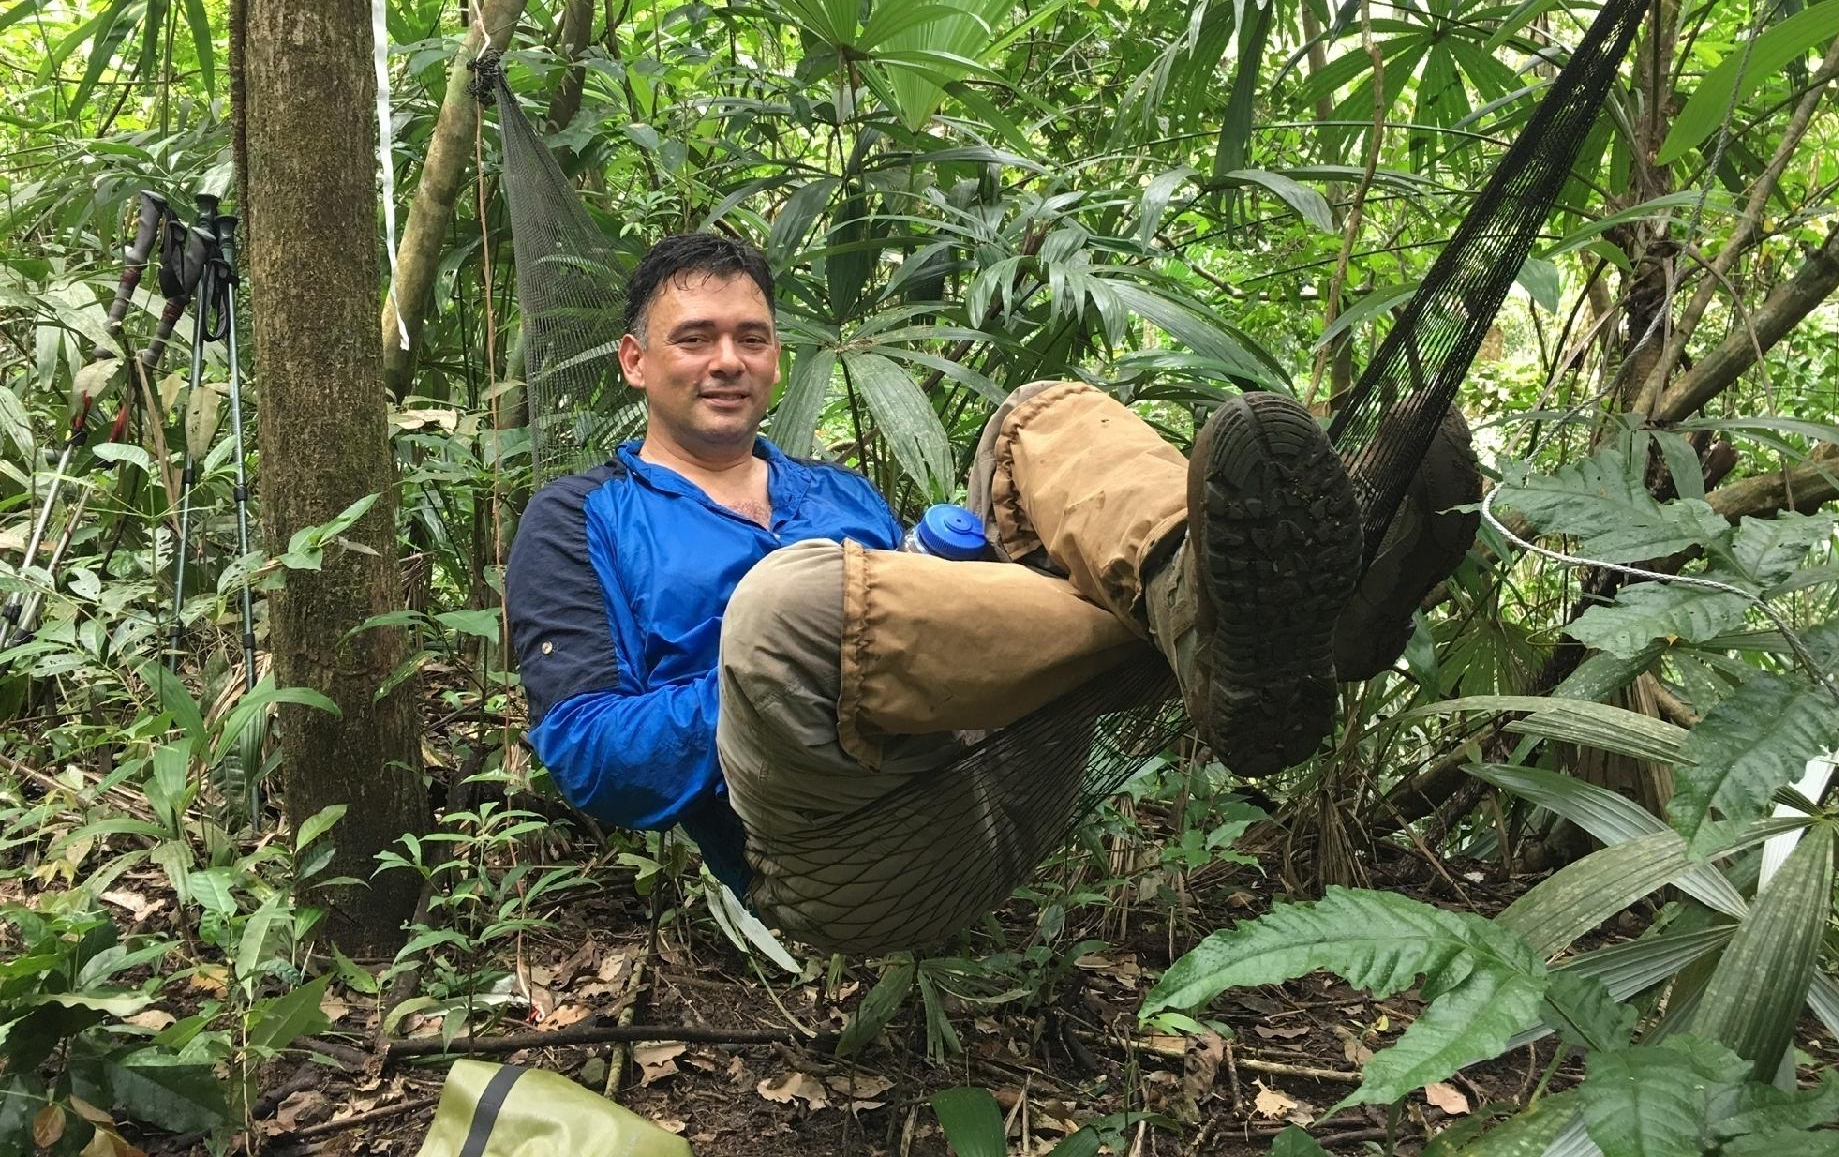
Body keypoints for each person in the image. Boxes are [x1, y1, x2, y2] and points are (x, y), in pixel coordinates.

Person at [506, 233, 1477, 952]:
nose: (728, 360)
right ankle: (1244, 622)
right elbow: (589, 754)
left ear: (774, 356)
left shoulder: (833, 492)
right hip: (844, 857)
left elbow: (937, 632)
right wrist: (790, 677)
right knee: (782, 609)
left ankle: (1197, 593)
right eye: (696, 338)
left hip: (1011, 759)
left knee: (1031, 422)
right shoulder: (577, 518)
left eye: (751, 338)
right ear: (636, 360)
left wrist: (935, 579)